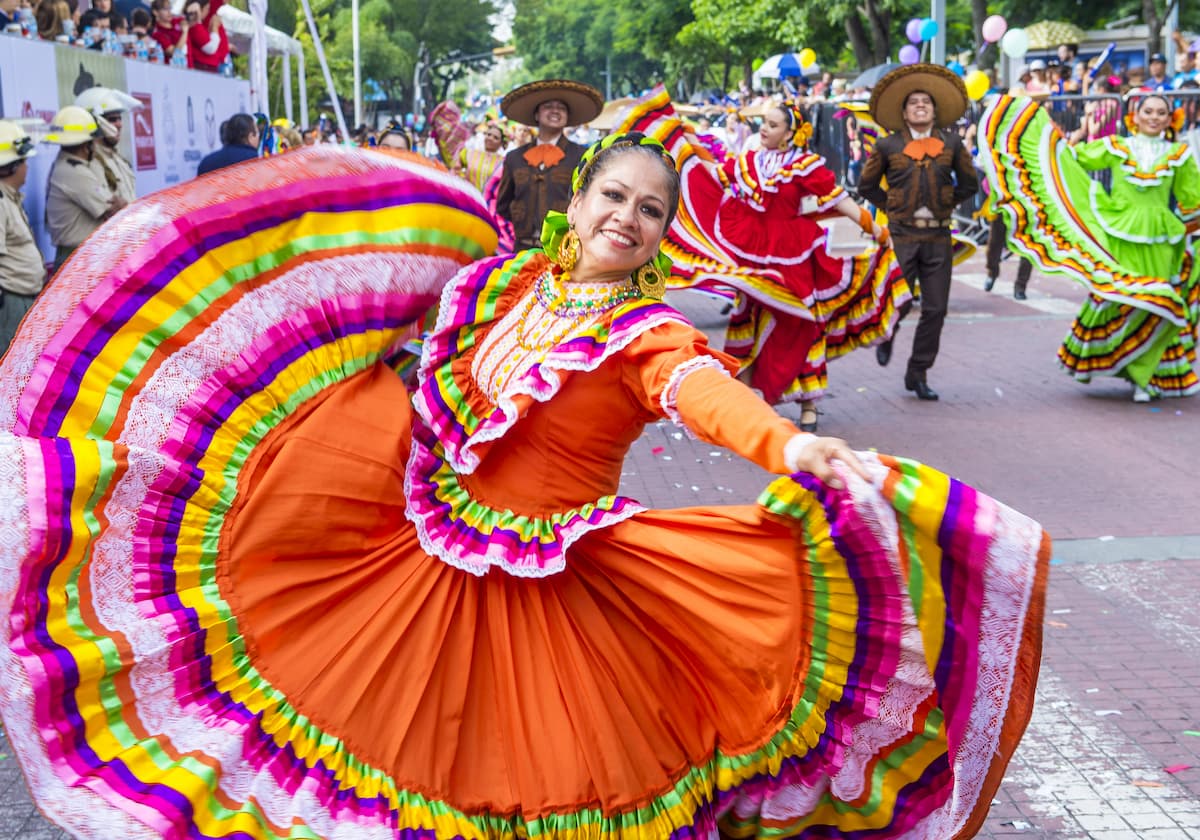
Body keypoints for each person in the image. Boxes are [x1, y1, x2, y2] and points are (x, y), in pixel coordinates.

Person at [0, 136, 1048, 840]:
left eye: (649, 211)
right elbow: (390, 349)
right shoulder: (498, 286)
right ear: (580, 202)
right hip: (413, 554)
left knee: (540, 776)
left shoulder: (647, 331)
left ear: (664, 235)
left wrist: (786, 446)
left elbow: (699, 393)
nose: (626, 221)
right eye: (613, 198)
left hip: (556, 592)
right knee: (373, 739)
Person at [616, 88, 908, 433]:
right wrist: (681, 144)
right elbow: (711, 178)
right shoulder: (748, 161)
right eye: (764, 123)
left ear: (790, 132)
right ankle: (744, 398)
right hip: (753, 253)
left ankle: (809, 404)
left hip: (794, 253)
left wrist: (875, 230)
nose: (764, 130)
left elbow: (840, 201)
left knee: (801, 322)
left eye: (772, 125)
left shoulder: (805, 165)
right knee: (751, 319)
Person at [981, 92, 1200, 401]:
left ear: (1169, 119)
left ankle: (1143, 376)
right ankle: (1130, 368)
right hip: (1119, 235)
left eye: (1160, 112)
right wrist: (1050, 138)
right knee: (1123, 301)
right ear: (1134, 117)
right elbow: (1072, 159)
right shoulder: (1117, 146)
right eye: (1147, 111)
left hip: (1162, 240)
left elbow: (1192, 202)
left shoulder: (1180, 155)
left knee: (1157, 303)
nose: (1153, 117)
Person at [860, 64, 979, 401]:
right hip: (902, 236)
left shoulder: (952, 144)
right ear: (904, 111)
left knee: (936, 308)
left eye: (926, 101)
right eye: (914, 102)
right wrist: (891, 209)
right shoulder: (887, 146)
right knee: (899, 301)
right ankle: (888, 335)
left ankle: (918, 372)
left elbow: (969, 183)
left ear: (935, 109)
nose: (921, 106)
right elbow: (866, 186)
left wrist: (946, 204)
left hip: (939, 237)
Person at [495, 79, 602, 250]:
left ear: (567, 117)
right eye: (548, 106)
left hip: (564, 249)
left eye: (561, 108)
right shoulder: (514, 158)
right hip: (522, 249)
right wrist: (522, 219)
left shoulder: (581, 156)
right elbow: (503, 205)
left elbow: (590, 200)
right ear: (536, 115)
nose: (555, 111)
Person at [44, 105, 124, 272]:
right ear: (85, 145)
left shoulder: (70, 167)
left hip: (80, 255)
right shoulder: (74, 172)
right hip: (77, 257)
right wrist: (123, 205)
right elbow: (112, 210)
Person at [0, 120, 46, 353]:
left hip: (24, 297)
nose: (27, 168)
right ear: (12, 166)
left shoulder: (10, 198)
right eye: (24, 162)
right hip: (11, 301)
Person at [75, 86, 139, 207]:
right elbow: (111, 210)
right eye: (112, 119)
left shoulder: (118, 158)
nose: (119, 124)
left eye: (120, 118)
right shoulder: (89, 162)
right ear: (94, 123)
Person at [454, 120, 505, 192]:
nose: (490, 138)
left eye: (495, 138)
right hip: (469, 197)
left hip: (489, 201)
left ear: (501, 144)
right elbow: (456, 169)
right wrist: (463, 182)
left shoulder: (503, 162)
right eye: (488, 135)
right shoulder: (469, 153)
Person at [184, 0, 228, 73]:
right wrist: (215, 27)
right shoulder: (195, 27)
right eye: (207, 9)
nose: (208, 11)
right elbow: (210, 48)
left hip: (210, 65)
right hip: (203, 66)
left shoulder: (198, 26)